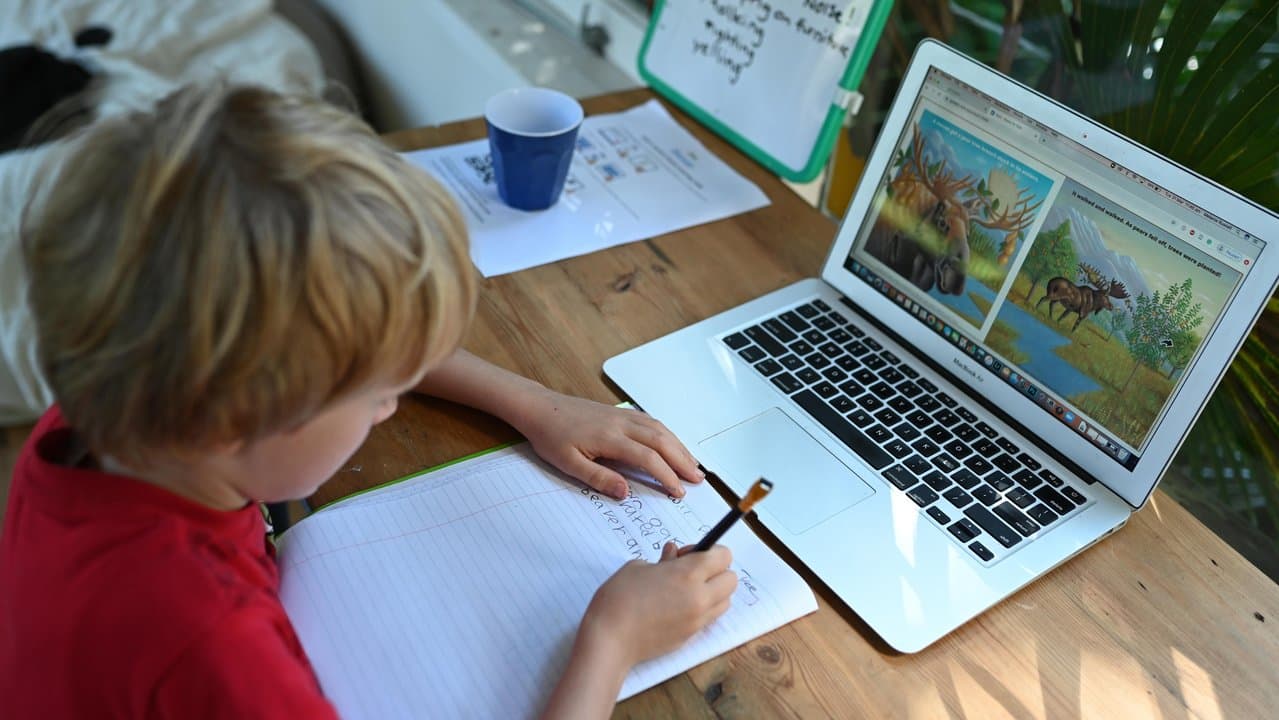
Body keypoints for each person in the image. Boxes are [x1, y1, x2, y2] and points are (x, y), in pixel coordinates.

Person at [0, 84, 737, 719]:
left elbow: (344, 334)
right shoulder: (214, 651)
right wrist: (611, 643)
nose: (391, 405)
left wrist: (532, 401)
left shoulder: (109, 412)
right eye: (380, 393)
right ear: (242, 414)